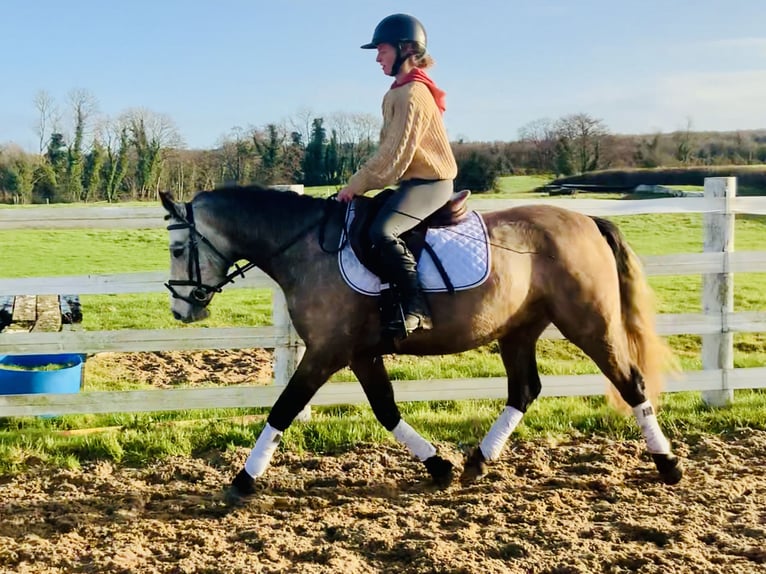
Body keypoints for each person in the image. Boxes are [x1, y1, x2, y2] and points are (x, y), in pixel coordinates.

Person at [337, 13, 458, 337]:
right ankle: (388, 299)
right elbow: (387, 150)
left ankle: (417, 308)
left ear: (406, 48)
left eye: (382, 50)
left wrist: (356, 185)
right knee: (364, 224)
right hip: (412, 182)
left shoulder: (412, 94)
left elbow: (395, 156)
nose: (377, 57)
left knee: (384, 231)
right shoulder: (396, 92)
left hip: (431, 183)